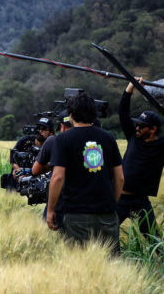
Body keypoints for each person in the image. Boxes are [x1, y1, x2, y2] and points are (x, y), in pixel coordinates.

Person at [47, 92, 124, 252]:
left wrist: (51, 209)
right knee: (111, 266)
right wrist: (111, 204)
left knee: (79, 267)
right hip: (107, 214)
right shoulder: (109, 138)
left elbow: (57, 178)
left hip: (76, 215)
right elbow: (120, 178)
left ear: (71, 115)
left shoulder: (63, 139)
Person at [117, 78, 164, 237]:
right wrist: (130, 87)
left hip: (141, 201)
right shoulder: (133, 136)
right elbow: (123, 112)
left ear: (153, 129)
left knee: (153, 238)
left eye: (141, 126)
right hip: (120, 198)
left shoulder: (161, 146)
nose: (137, 127)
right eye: (137, 124)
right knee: (106, 234)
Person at [32, 111, 72, 224]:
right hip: (89, 204)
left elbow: (35, 170)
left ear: (61, 127)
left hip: (60, 202)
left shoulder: (53, 141)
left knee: (51, 235)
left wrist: (52, 165)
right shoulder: (98, 140)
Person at [3, 118, 54, 191]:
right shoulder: (25, 140)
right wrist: (18, 171)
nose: (40, 131)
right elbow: (11, 158)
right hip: (17, 177)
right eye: (38, 128)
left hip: (39, 178)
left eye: (44, 129)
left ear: (51, 133)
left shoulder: (52, 145)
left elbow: (51, 165)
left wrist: (30, 173)